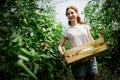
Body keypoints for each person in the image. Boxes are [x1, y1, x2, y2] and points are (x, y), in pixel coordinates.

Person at [58, 6, 98, 80]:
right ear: (67, 16)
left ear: (77, 13)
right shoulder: (67, 31)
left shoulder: (85, 27)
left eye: (72, 13)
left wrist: (97, 47)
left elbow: (91, 40)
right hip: (77, 61)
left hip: (90, 59)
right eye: (68, 14)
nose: (70, 15)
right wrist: (62, 53)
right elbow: (60, 45)